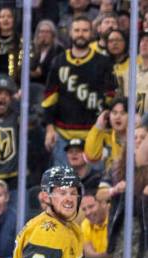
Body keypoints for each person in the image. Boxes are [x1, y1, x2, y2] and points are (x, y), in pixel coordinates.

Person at [43, 16, 116, 168]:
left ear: (92, 33)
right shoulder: (59, 61)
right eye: (77, 30)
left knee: (94, 186)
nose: (80, 34)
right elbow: (49, 98)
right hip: (62, 135)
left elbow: (111, 99)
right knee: (61, 187)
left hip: (94, 135)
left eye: (84, 30)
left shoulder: (103, 62)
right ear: (70, 33)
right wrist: (49, 128)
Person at [80, 186, 111, 258]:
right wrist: (104, 256)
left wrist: (96, 255)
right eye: (84, 209)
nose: (88, 212)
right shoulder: (85, 223)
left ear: (103, 204)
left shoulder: (114, 219)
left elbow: (115, 256)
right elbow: (88, 253)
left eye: (91, 206)